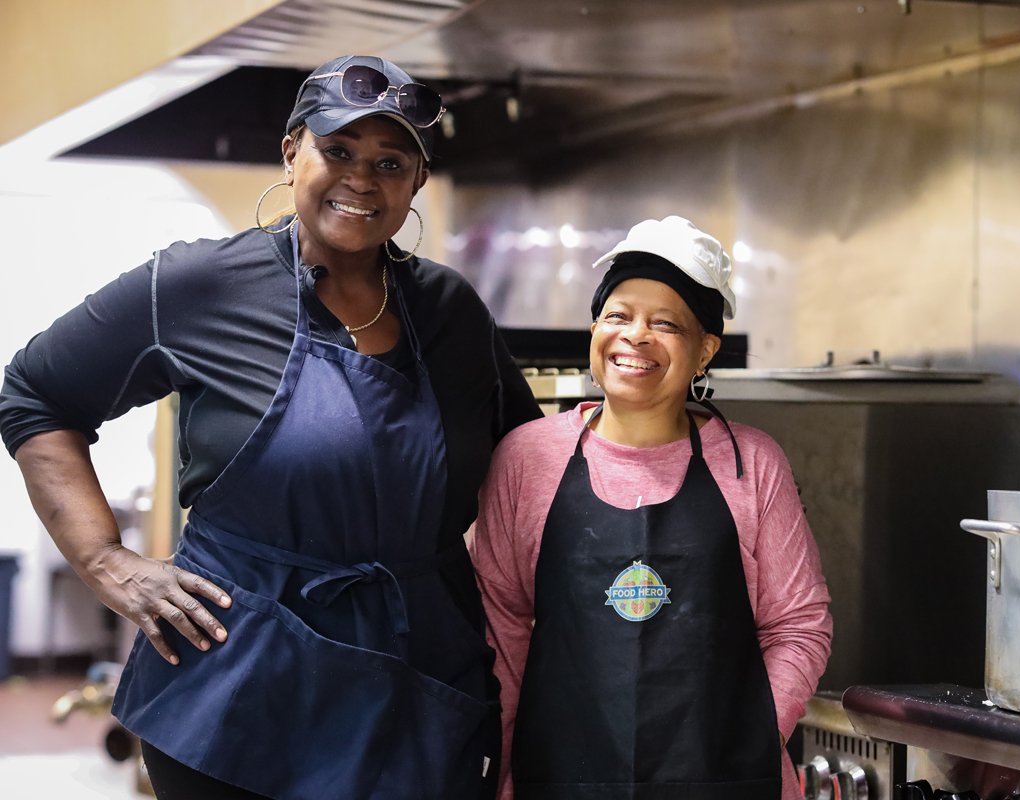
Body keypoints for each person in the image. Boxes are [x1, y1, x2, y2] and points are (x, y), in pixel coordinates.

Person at [0, 54, 541, 799]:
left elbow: (530, 460)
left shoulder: (450, 311)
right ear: (293, 152)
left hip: (416, 682)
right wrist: (105, 562)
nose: (362, 178)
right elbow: (35, 393)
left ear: (416, 182)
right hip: (238, 683)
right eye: (339, 151)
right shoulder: (198, 287)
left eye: (391, 161)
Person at [471, 216, 833, 800]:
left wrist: (749, 737)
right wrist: (499, 774)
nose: (635, 336)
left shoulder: (753, 463)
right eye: (618, 315)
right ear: (594, 329)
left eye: (665, 324)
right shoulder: (527, 458)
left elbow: (799, 626)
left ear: (705, 349)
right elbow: (501, 631)